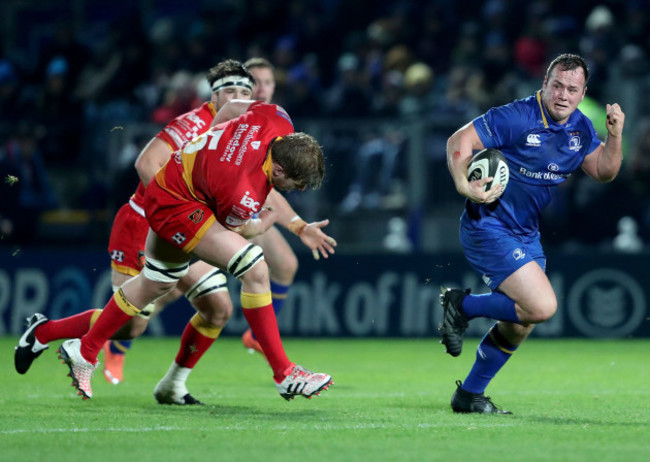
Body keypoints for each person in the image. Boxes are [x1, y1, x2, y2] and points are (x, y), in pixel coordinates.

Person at [14, 60, 336, 404]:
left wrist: (215, 144)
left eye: (247, 89)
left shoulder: (275, 118)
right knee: (254, 266)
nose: (294, 190)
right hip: (167, 210)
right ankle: (284, 373)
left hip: (179, 197)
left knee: (167, 288)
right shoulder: (235, 185)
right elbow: (238, 228)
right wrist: (263, 222)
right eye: (295, 184)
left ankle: (85, 347)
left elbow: (232, 113)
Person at [441, 53, 624, 414]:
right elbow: (460, 141)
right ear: (544, 83)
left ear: (582, 92)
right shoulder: (517, 117)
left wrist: (615, 135)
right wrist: (464, 184)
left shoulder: (581, 129)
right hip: (488, 225)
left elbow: (604, 171)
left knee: (521, 322)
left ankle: (469, 395)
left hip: (526, 233)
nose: (563, 95)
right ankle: (462, 305)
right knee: (541, 306)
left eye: (572, 89)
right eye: (557, 85)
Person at [240, 57, 301, 354]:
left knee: (285, 265)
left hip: (246, 210)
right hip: (212, 213)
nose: (261, 88)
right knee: (170, 287)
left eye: (267, 82)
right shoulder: (235, 118)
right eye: (254, 81)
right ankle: (119, 339)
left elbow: (266, 189)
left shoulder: (276, 125)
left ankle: (258, 337)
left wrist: (298, 225)